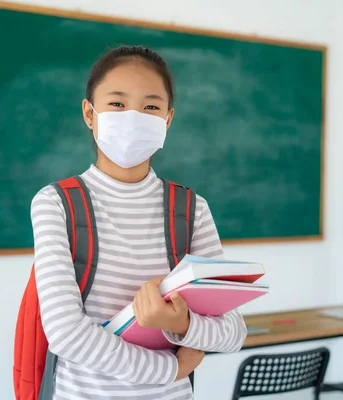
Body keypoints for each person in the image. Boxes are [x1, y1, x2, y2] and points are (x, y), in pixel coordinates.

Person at [31, 45, 247, 400]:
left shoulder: (192, 209)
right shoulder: (56, 204)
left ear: (168, 118)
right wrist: (171, 369)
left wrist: (181, 324)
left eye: (150, 106)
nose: (133, 116)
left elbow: (233, 332)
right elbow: (66, 333)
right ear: (89, 113)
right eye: (117, 104)